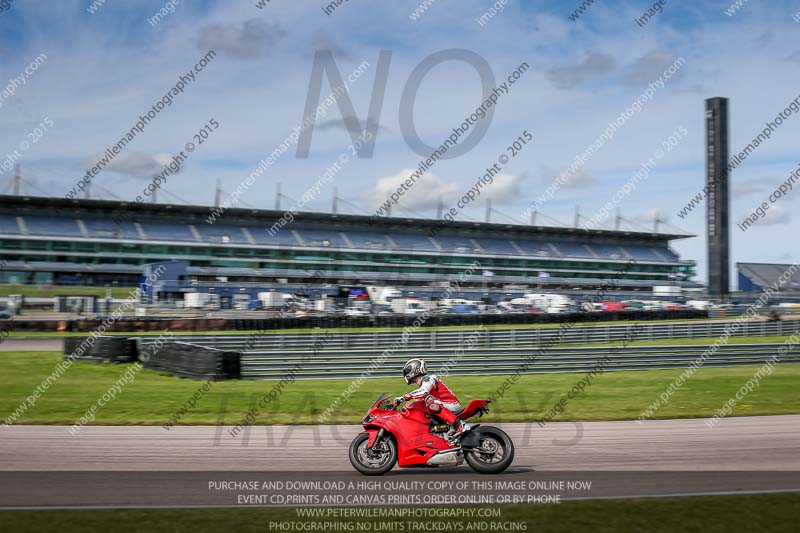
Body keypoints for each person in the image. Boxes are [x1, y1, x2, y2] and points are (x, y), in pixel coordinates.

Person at [393, 358, 475, 440]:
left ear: (415, 369)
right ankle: (439, 432)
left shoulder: (428, 379)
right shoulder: (423, 384)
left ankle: (460, 425)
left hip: (451, 405)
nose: (406, 374)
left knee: (431, 404)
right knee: (418, 406)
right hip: (444, 406)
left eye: (408, 370)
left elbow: (423, 391)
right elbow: (419, 400)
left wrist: (402, 398)